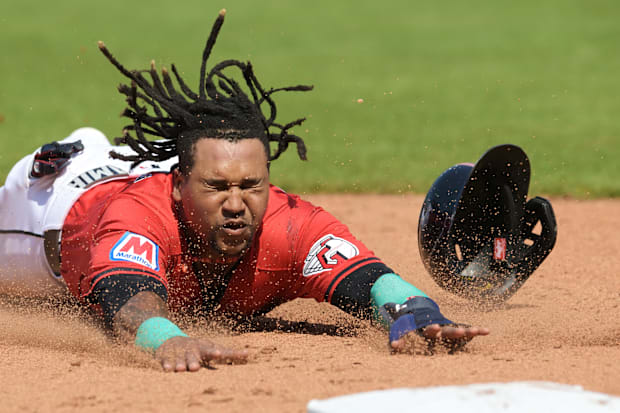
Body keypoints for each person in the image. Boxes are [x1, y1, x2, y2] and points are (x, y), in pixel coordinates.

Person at [0, 10, 488, 372]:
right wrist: (165, 337)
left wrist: (417, 312)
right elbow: (129, 299)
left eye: (251, 185)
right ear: (178, 187)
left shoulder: (290, 222)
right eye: (217, 188)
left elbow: (371, 279)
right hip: (52, 206)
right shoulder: (136, 216)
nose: (236, 204)